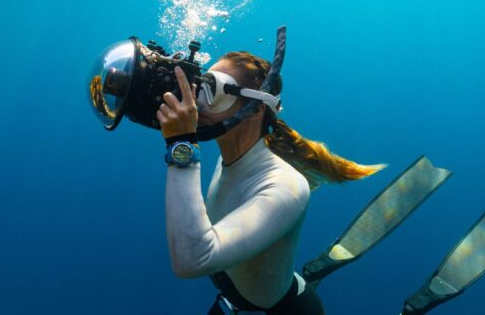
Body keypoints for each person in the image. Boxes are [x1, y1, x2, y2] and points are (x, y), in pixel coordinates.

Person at [158, 52, 384, 314]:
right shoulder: (229, 158)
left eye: (213, 88)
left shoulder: (286, 186)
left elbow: (193, 260)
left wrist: (181, 146)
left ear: (255, 109)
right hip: (235, 302)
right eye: (200, 84)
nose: (198, 99)